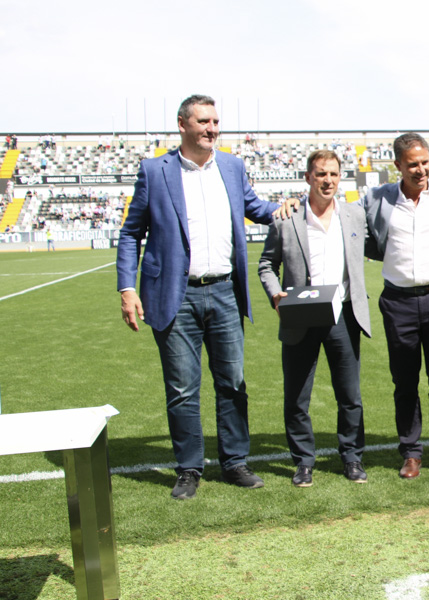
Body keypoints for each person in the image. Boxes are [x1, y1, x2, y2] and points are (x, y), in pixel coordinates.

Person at [116, 94, 293, 500]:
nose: (212, 129)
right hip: (175, 297)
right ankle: (189, 469)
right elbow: (130, 233)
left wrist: (283, 208)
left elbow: (252, 206)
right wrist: (128, 288)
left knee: (232, 382)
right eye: (204, 122)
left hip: (226, 292)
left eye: (215, 121)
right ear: (183, 124)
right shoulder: (154, 170)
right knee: (182, 389)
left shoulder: (231, 166)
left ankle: (234, 462)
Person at [258, 149, 373, 487]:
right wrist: (276, 293)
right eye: (321, 174)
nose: (328, 180)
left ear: (341, 178)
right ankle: (303, 461)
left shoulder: (354, 215)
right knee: (297, 396)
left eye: (334, 174)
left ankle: (352, 457)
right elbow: (267, 265)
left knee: (350, 395)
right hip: (301, 317)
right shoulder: (286, 218)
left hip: (343, 315)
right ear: (308, 177)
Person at [364, 132, 429, 479]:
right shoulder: (376, 198)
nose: (420, 170)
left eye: (425, 162)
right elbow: (365, 238)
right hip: (397, 302)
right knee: (404, 382)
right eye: (412, 165)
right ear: (397, 166)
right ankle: (410, 452)